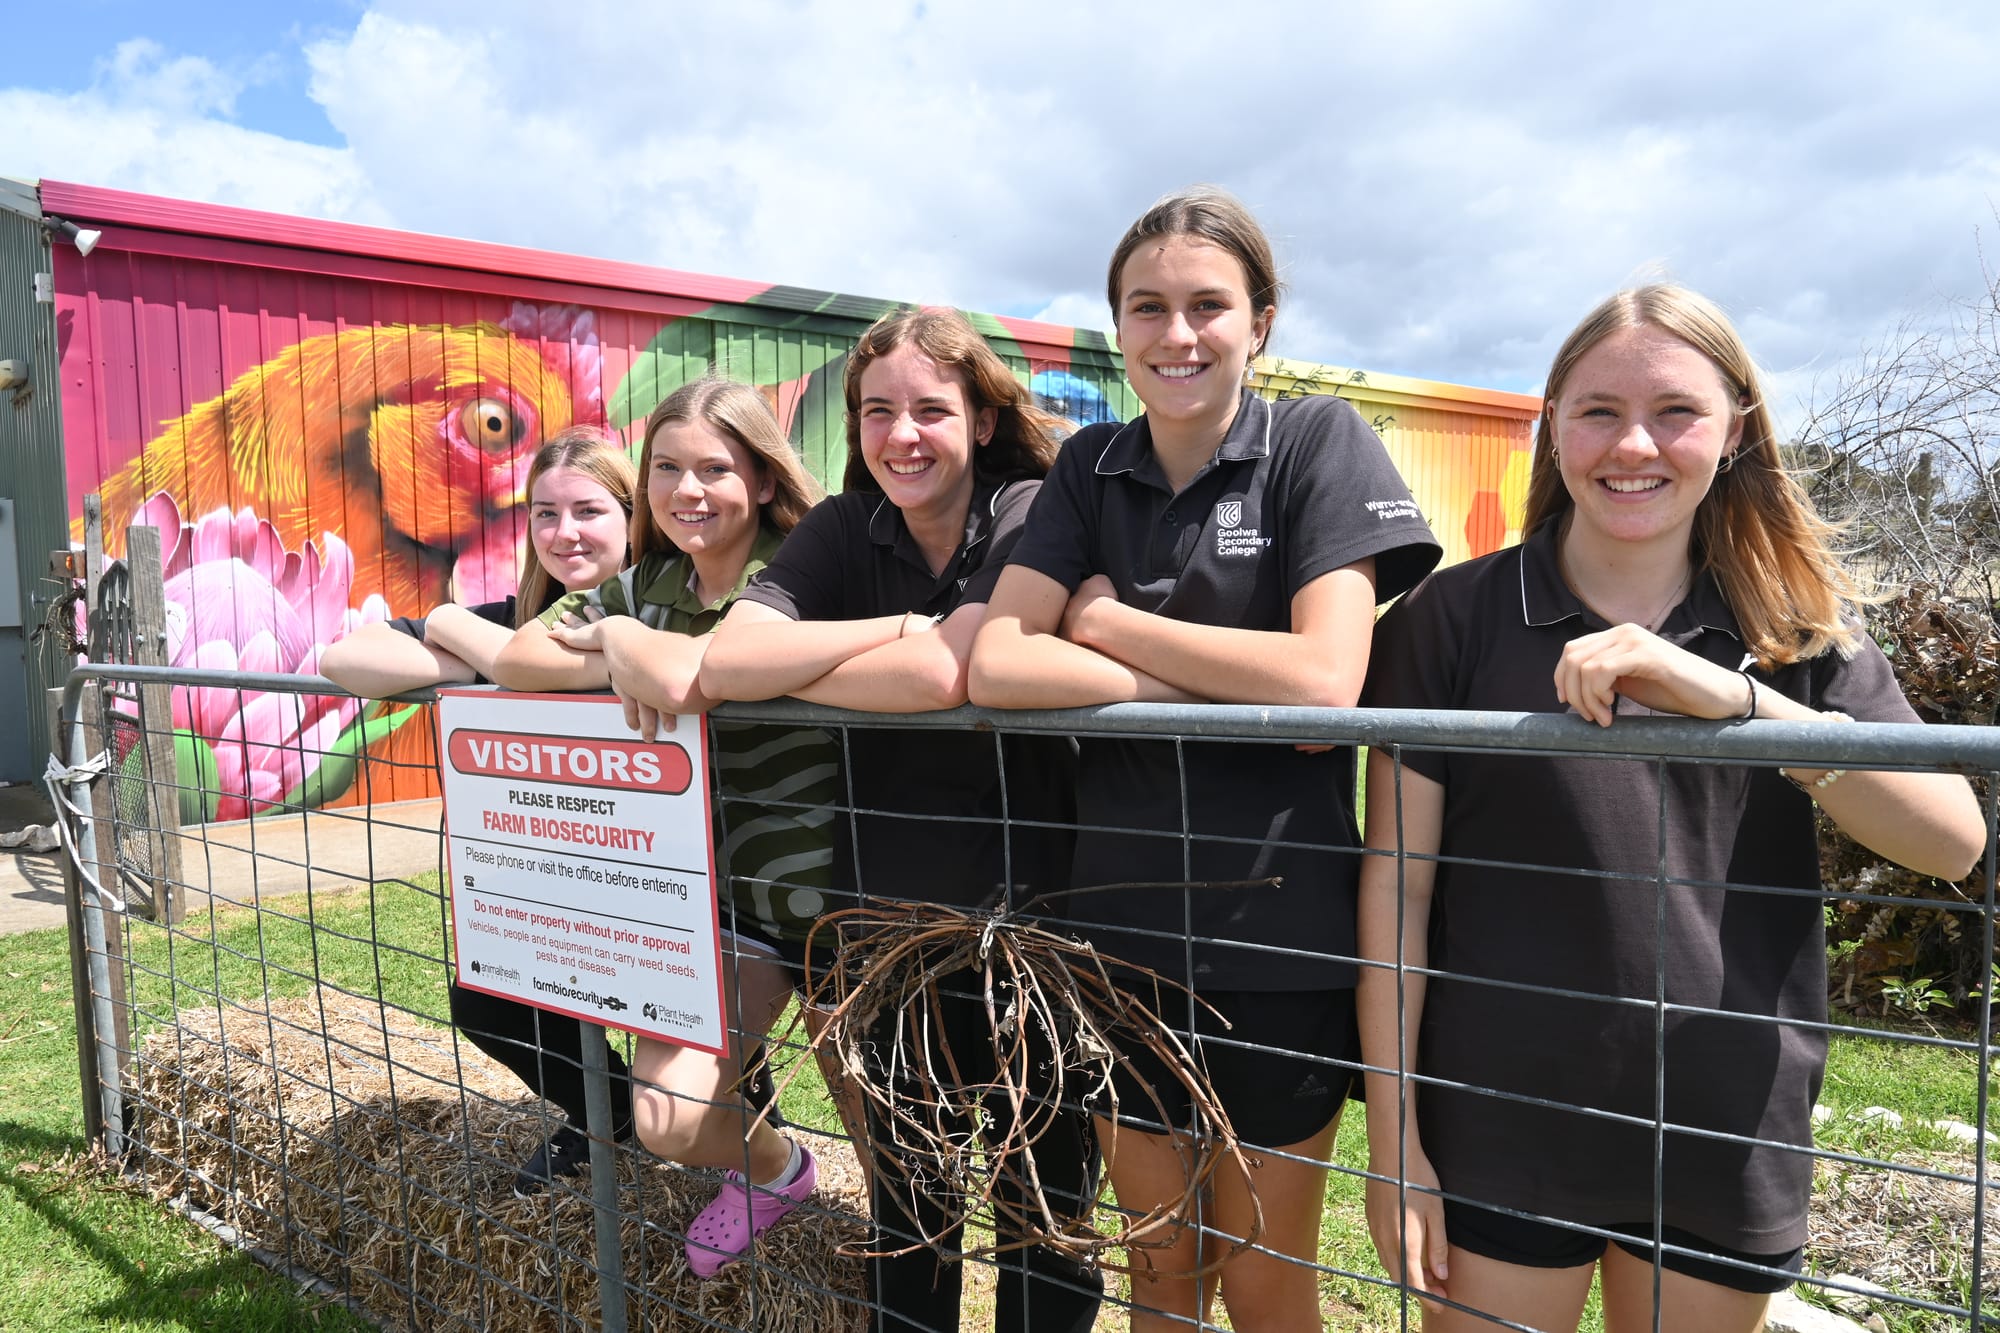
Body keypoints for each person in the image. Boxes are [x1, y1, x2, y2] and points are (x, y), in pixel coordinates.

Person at [1357, 284, 1987, 1333]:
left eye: (1675, 412)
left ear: (1734, 430)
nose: (1632, 443)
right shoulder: (1448, 619)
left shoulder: (1794, 629)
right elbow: (1397, 888)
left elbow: (1950, 845)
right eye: (1596, 409)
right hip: (1498, 1121)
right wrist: (1394, 1146)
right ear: (1548, 423)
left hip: (1720, 1124)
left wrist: (1744, 704)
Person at [968, 186, 1442, 1332]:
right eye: (1146, 308)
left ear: (1260, 321)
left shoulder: (1317, 443)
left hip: (1279, 949)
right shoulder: (1091, 465)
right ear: (1117, 326)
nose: (1176, 335)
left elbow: (1327, 680)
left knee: (1263, 1275)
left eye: (1205, 306)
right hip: (1116, 940)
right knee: (1163, 1269)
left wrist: (1112, 629)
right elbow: (991, 664)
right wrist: (1214, 682)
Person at [700, 307, 1102, 1333]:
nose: (901, 434)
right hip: (880, 930)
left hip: (1034, 931)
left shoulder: (1029, 510)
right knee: (908, 1211)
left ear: (978, 417)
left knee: (1042, 1213)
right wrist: (894, 630)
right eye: (877, 411)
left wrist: (845, 659)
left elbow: (949, 671)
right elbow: (730, 663)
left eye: (930, 407)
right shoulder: (844, 526)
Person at [484, 377, 840, 1275]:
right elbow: (522, 654)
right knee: (669, 1119)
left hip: (850, 902)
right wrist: (615, 643)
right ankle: (779, 1171)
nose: (689, 490)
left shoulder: (812, 563)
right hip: (729, 906)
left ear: (761, 478)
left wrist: (654, 657)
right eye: (667, 468)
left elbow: (705, 674)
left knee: (902, 1159)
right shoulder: (647, 582)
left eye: (716, 467)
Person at [319, 425, 642, 1197]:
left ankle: (748, 1154)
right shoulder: (521, 614)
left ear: (634, 516)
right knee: (487, 995)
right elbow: (345, 659)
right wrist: (488, 647)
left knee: (696, 1020)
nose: (565, 532)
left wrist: (476, 645)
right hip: (550, 861)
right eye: (545, 513)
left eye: (590, 510)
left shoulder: (664, 609)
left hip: (658, 864)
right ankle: (610, 1114)